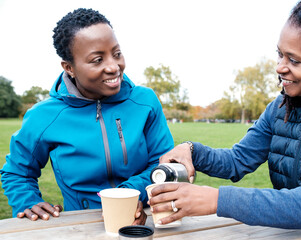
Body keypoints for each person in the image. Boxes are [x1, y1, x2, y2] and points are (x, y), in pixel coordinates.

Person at [148, 0, 301, 232]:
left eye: (294, 60)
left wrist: (217, 200)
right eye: (280, 54)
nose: (280, 67)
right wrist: (191, 151)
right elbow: (237, 161)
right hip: (295, 233)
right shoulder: (280, 108)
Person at [0, 8, 174, 223]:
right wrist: (27, 202)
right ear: (69, 67)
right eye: (97, 60)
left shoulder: (144, 101)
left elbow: (165, 164)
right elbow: (18, 172)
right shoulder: (44, 116)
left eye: (117, 53)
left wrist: (130, 193)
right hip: (80, 224)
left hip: (148, 221)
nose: (113, 67)